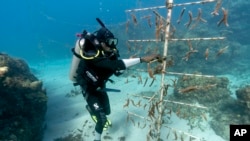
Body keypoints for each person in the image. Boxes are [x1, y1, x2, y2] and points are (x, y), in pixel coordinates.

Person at [69, 18, 160, 141]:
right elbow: (114, 65)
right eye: (109, 42)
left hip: (100, 86)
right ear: (101, 42)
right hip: (89, 89)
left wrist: (118, 69)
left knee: (107, 112)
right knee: (102, 118)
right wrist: (142, 59)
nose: (112, 45)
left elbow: (115, 69)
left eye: (113, 41)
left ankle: (93, 110)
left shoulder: (109, 52)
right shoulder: (91, 54)